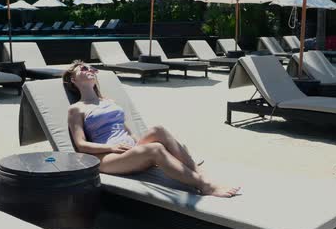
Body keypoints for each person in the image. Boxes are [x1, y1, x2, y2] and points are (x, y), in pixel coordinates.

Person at [64, 61, 240, 198]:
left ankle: (197, 169)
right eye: (82, 69)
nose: (88, 69)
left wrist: (135, 145)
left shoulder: (109, 101)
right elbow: (81, 145)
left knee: (158, 129)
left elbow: (126, 130)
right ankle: (204, 185)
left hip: (128, 150)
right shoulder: (76, 109)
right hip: (107, 158)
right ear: (74, 80)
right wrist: (112, 148)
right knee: (155, 148)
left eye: (90, 68)